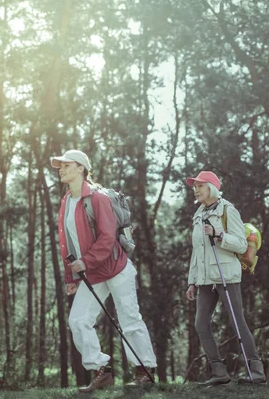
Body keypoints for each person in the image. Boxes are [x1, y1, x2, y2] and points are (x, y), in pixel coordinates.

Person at [51, 149, 157, 392]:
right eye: (60, 165)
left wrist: (86, 262)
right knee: (78, 320)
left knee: (129, 319)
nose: (61, 168)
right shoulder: (66, 201)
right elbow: (67, 241)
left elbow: (108, 237)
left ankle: (144, 370)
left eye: (67, 164)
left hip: (117, 268)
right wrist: (72, 276)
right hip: (92, 273)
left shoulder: (98, 198)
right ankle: (101, 369)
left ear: (81, 168)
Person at [185, 171, 266, 386]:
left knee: (237, 322)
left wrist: (219, 235)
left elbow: (240, 244)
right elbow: (196, 251)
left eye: (200, 186)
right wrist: (191, 281)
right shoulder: (198, 214)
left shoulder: (228, 210)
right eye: (194, 186)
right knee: (201, 324)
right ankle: (219, 372)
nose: (196, 189)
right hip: (205, 279)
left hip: (226, 275)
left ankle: (256, 370)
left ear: (211, 187)